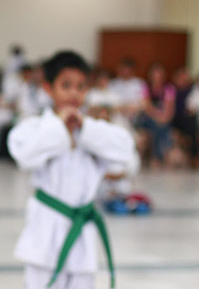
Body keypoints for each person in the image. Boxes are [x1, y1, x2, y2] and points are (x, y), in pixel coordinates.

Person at [7, 51, 136, 289]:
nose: (74, 93)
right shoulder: (35, 127)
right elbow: (24, 157)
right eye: (66, 85)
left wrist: (84, 128)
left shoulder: (93, 130)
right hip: (45, 230)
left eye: (80, 86)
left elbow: (125, 152)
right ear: (48, 88)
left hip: (83, 232)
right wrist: (60, 128)